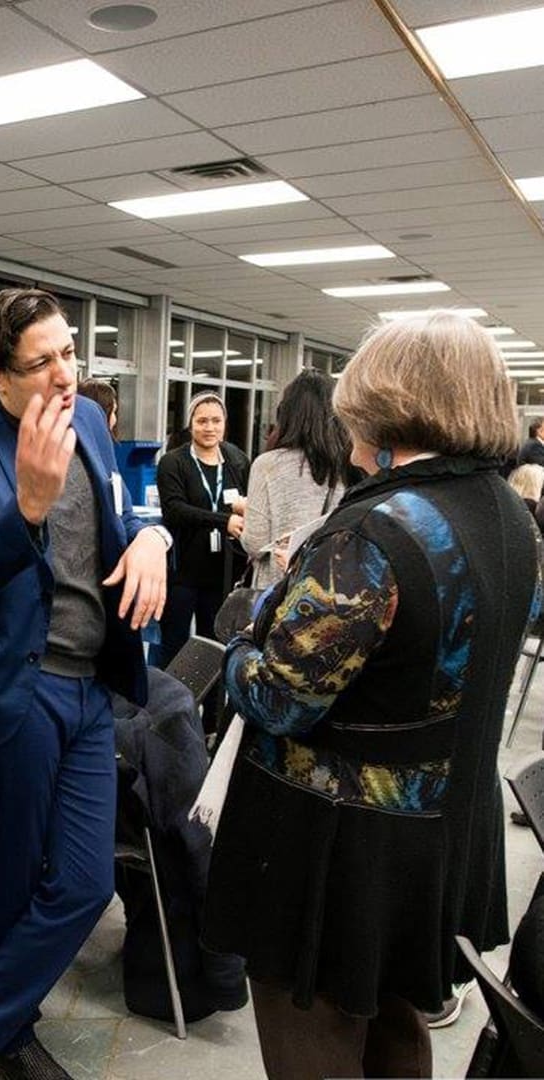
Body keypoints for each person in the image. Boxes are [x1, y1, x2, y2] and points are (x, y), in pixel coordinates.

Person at [203, 311, 541, 1079]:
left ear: (387, 404)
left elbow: (280, 698)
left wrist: (245, 634)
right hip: (437, 832)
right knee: (394, 1028)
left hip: (334, 847)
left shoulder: (371, 535)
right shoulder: (513, 519)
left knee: (313, 1042)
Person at [0, 287, 170, 1079]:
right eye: (42, 362)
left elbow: (118, 522)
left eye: (69, 353)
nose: (65, 374)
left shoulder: (89, 419)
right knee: (13, 877)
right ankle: (10, 1035)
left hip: (91, 688)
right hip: (14, 692)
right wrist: (26, 508)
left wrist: (154, 538)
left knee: (88, 883)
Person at [154, 391, 250, 669]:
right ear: (190, 423)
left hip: (223, 572)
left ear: (225, 423)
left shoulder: (237, 460)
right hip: (183, 572)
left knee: (215, 646)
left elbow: (249, 501)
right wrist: (224, 521)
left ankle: (211, 699)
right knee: (174, 644)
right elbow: (175, 510)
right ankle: (170, 695)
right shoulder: (173, 462)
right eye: (202, 421)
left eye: (216, 421)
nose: (209, 428)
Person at [240, 369, 350, 589]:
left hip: (277, 590)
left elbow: (255, 543)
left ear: (287, 413)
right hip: (330, 589)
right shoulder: (351, 465)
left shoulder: (268, 464)